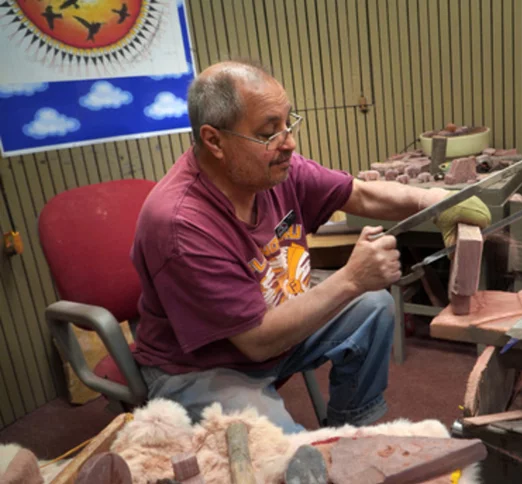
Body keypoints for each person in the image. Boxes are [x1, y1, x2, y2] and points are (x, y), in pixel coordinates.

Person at [130, 60, 491, 433]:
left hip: (273, 330)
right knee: (289, 457)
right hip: (206, 366)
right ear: (214, 140)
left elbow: (360, 195)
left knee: (373, 307)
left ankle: (350, 430)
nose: (289, 142)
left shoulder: (274, 169)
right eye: (270, 132)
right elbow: (255, 342)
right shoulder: (181, 224)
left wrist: (432, 200)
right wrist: (352, 278)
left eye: (289, 123)